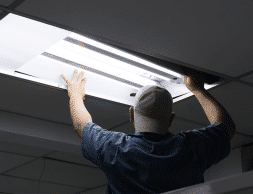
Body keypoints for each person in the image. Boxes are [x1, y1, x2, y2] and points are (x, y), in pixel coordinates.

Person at [81, 73, 236, 194]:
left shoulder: (115, 149)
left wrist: (75, 93)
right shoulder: (191, 148)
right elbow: (226, 128)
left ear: (131, 115)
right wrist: (197, 89)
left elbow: (81, 125)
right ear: (171, 119)